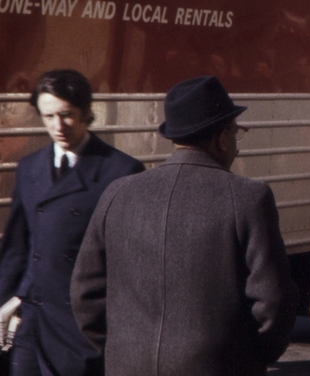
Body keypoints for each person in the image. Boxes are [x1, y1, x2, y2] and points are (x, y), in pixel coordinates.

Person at [71, 76, 298, 375]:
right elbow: (273, 302)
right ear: (221, 137)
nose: (237, 146)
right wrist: (247, 358)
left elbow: (85, 294)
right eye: (235, 132)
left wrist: (121, 348)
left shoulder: (118, 193)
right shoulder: (248, 197)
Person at [0, 69, 143, 376]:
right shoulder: (30, 167)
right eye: (48, 116)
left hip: (82, 327)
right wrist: (6, 303)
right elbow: (17, 248)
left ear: (86, 112)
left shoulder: (120, 170)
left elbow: (131, 262)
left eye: (67, 115)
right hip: (31, 323)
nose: (57, 126)